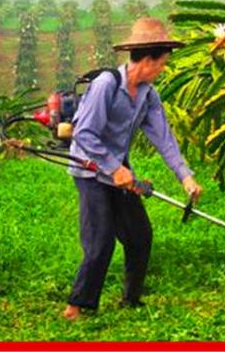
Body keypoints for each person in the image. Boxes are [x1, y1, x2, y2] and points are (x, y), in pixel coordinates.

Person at [63, 17, 203, 320]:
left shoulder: (149, 95)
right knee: (100, 241)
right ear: (149, 59)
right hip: (89, 169)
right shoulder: (106, 85)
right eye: (162, 63)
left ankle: (130, 299)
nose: (163, 69)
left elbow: (164, 138)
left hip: (118, 169)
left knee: (140, 235)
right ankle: (77, 306)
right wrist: (114, 168)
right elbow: (84, 133)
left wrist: (186, 177)